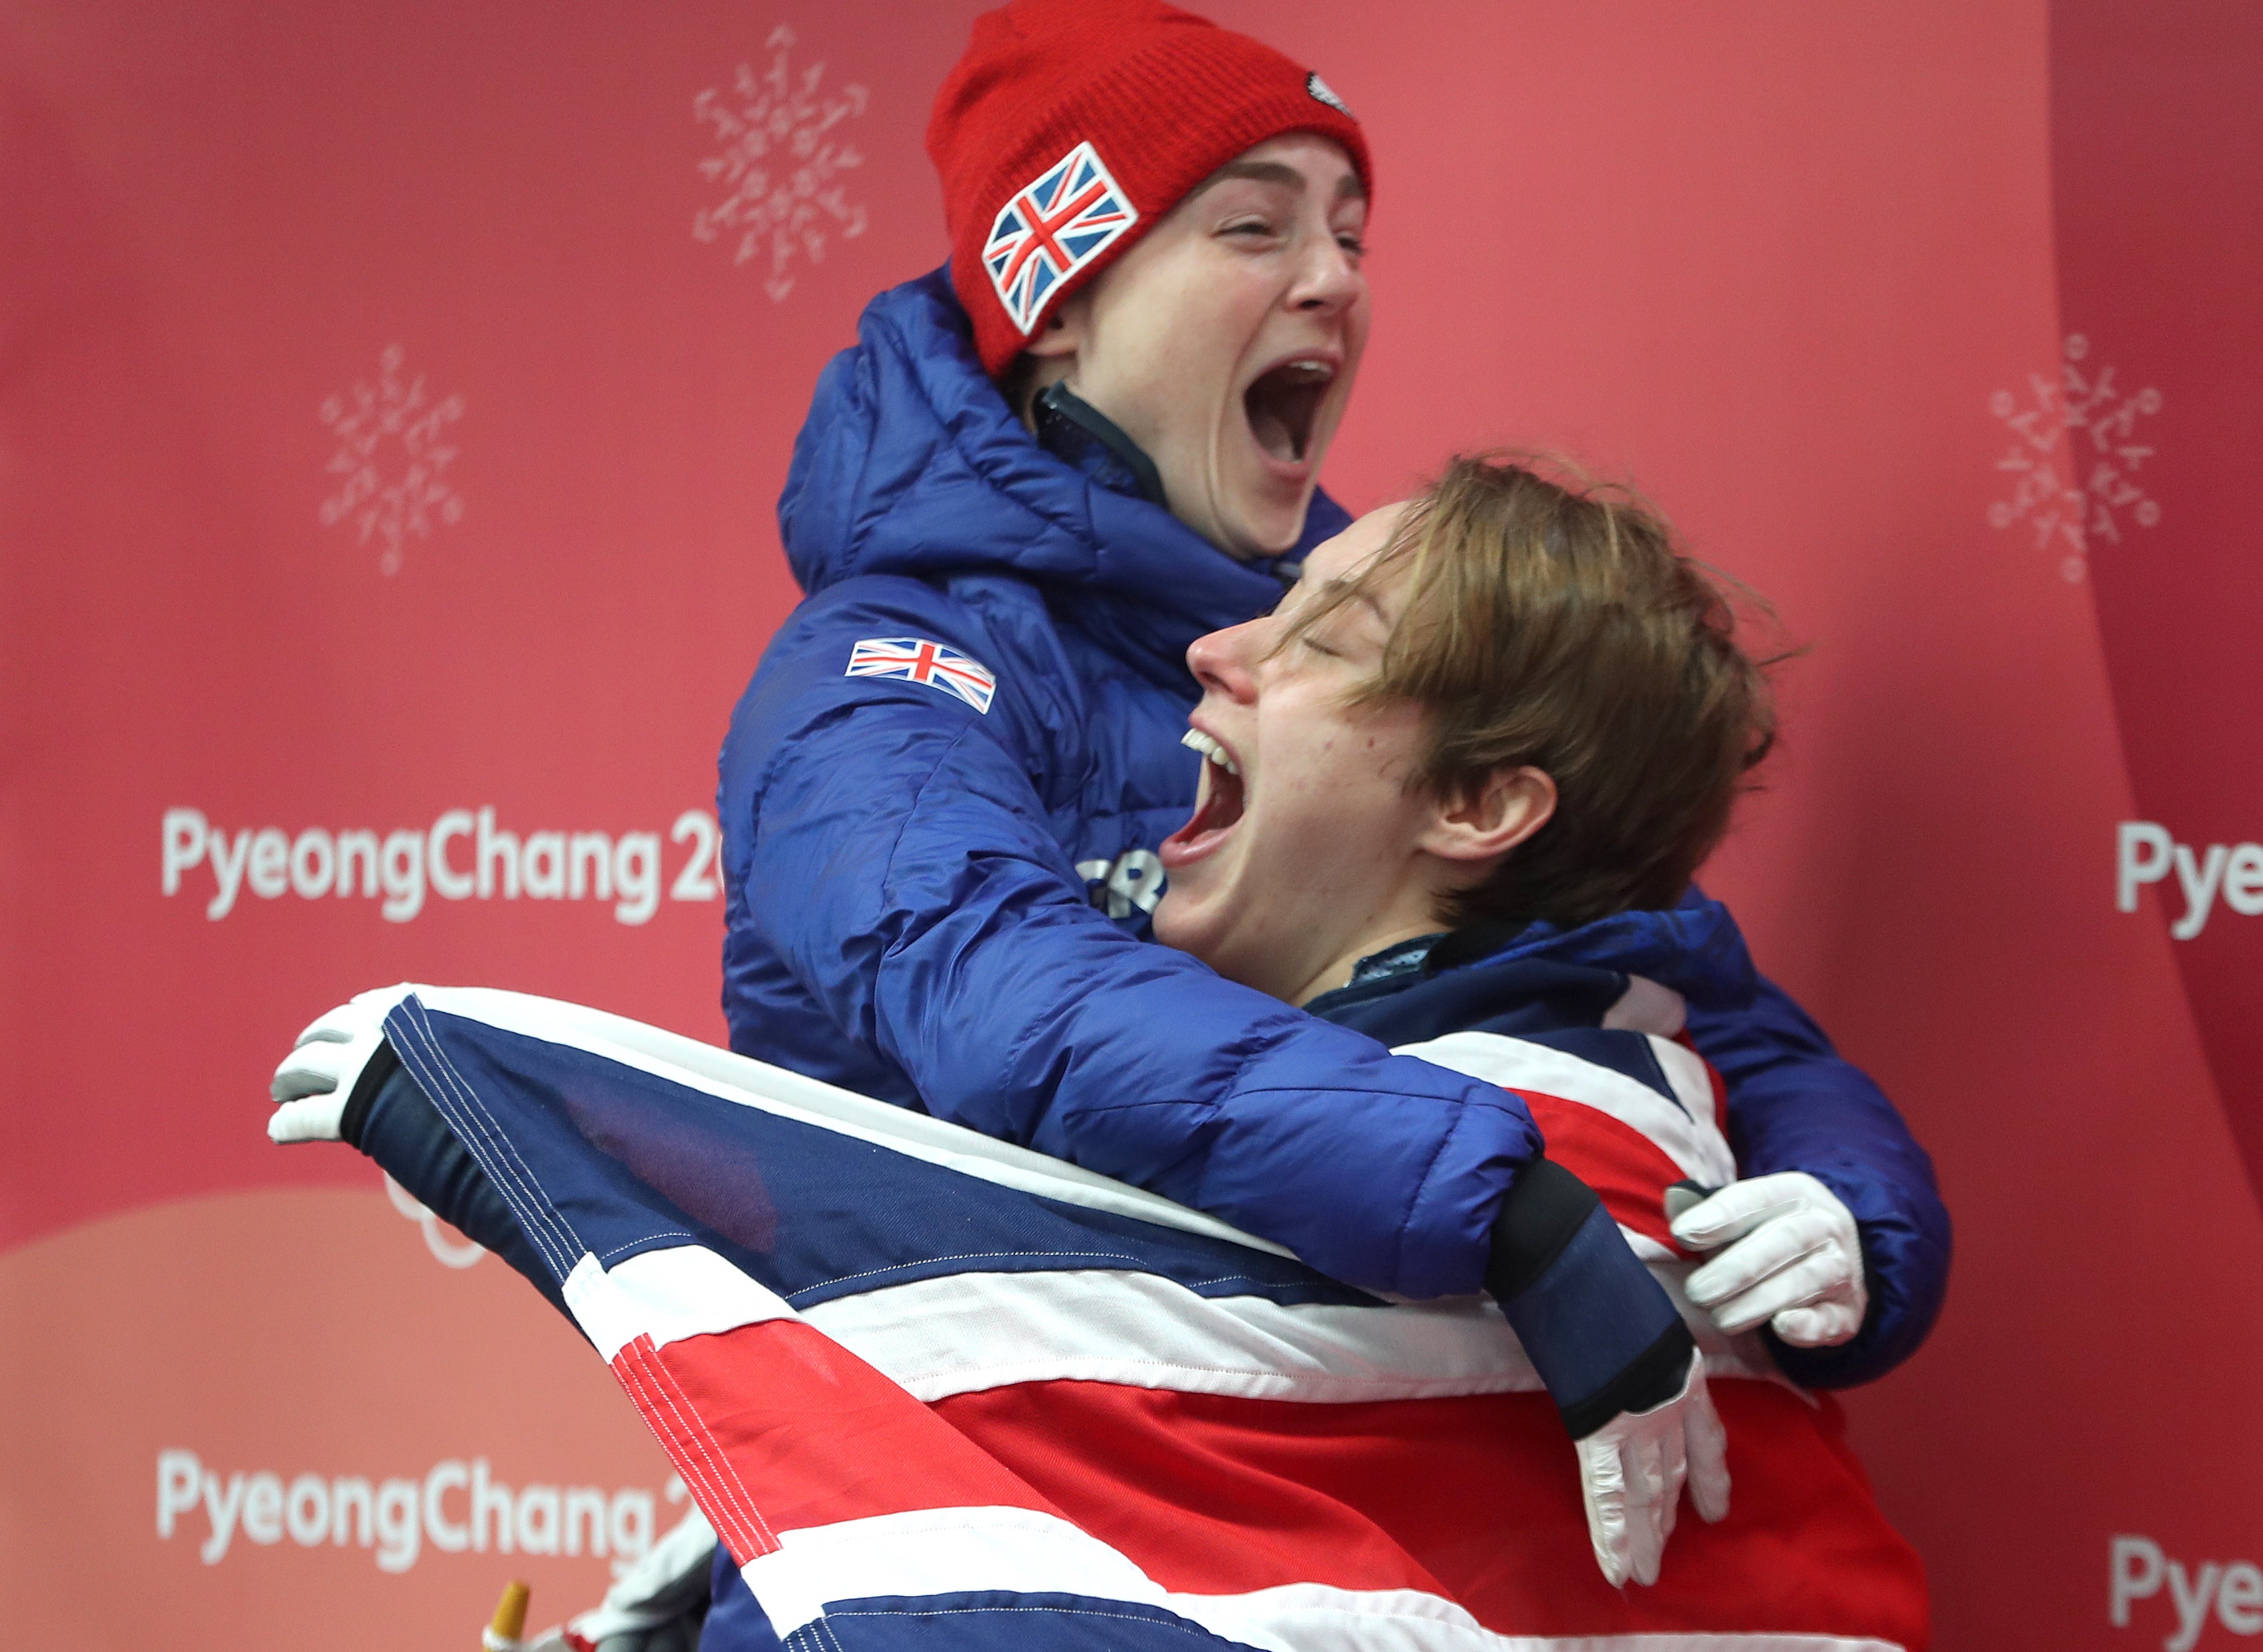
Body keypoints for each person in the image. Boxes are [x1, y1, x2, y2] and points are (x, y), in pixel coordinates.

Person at [270, 0, 1948, 1632]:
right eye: (1251, 225)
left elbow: (1679, 985)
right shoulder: (885, 666)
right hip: (1009, 1510)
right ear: (1059, 302)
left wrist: (1852, 1225)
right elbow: (985, 976)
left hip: (1303, 1526)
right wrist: (1495, 1203)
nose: (1334, 281)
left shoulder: (1373, 624)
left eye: (1352, 233)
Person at [1141, 453, 1928, 1643]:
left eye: (1326, 642)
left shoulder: (1573, 1136)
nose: (1217, 650)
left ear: (1478, 808)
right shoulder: (1574, 1065)